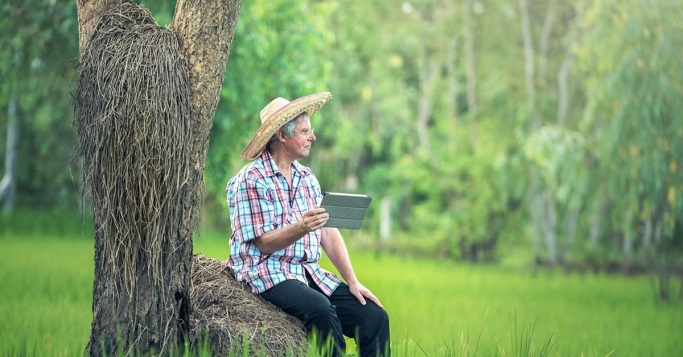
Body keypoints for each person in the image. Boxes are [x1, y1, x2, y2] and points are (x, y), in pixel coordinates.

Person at [225, 92, 390, 356]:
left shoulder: (307, 177)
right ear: (282, 135)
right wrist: (302, 227)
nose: (312, 137)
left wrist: (353, 281)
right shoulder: (250, 180)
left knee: (374, 317)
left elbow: (328, 231)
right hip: (265, 271)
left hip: (306, 271)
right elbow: (264, 243)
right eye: (305, 131)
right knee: (320, 309)